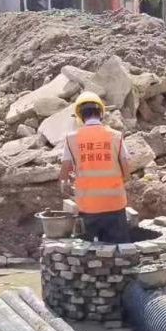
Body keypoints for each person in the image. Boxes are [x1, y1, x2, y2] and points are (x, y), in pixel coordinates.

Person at [59, 91, 133, 243]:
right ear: (101, 113)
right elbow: (126, 171)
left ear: (80, 116)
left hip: (88, 208)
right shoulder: (116, 136)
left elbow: (64, 175)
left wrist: (68, 184)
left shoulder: (71, 139)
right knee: (118, 252)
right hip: (115, 205)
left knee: (87, 254)